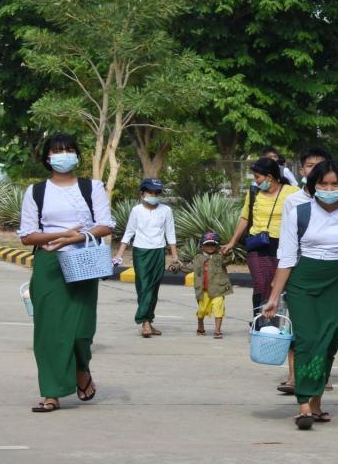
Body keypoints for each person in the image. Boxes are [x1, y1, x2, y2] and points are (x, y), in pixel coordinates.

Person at [262, 160, 338, 430]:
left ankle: (316, 401)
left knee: (329, 340)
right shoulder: (299, 213)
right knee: (307, 340)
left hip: (335, 281)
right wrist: (274, 297)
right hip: (302, 281)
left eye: (335, 184)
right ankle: (304, 403)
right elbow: (287, 258)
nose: (329, 189)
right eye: (323, 184)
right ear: (313, 185)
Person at [17, 133, 114, 413]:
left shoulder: (91, 187)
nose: (64, 155)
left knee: (81, 329)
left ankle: (81, 369)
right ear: (47, 158)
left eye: (69, 149)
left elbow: (106, 225)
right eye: (57, 150)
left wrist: (76, 237)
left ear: (77, 155)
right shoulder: (36, 191)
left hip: (84, 260)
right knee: (49, 330)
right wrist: (60, 236)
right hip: (49, 262)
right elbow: (27, 235)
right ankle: (52, 392)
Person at [274, 146, 333, 395]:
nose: (315, 170)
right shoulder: (293, 201)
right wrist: (280, 278)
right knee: (297, 326)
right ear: (302, 170)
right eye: (310, 166)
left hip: (329, 273)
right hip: (298, 271)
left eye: (320, 165)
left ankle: (318, 374)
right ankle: (294, 375)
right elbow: (286, 242)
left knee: (324, 329)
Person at [221, 158, 299, 314]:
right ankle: (259, 319)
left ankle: (275, 319)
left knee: (276, 284)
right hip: (257, 244)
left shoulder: (292, 192)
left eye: (257, 177)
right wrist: (232, 242)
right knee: (261, 282)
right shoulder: (254, 192)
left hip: (282, 245)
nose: (255, 181)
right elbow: (244, 218)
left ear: (269, 177)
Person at [112, 178, 180, 338]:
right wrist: (119, 255)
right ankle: (144, 322)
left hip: (158, 252)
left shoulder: (166, 210)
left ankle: (148, 320)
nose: (154, 195)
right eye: (150, 192)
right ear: (142, 193)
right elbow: (129, 232)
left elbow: (170, 233)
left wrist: (174, 256)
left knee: (154, 288)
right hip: (141, 252)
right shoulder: (136, 210)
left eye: (157, 193)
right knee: (144, 286)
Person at [184, 232, 233, 339]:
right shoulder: (198, 259)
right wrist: (176, 267)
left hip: (218, 290)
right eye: (207, 244)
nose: (210, 247)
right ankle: (200, 326)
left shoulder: (220, 257)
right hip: (203, 291)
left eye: (213, 244)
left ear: (217, 246)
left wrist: (227, 252)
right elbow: (187, 267)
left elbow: (229, 260)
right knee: (202, 311)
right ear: (201, 246)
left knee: (219, 309)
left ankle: (217, 330)